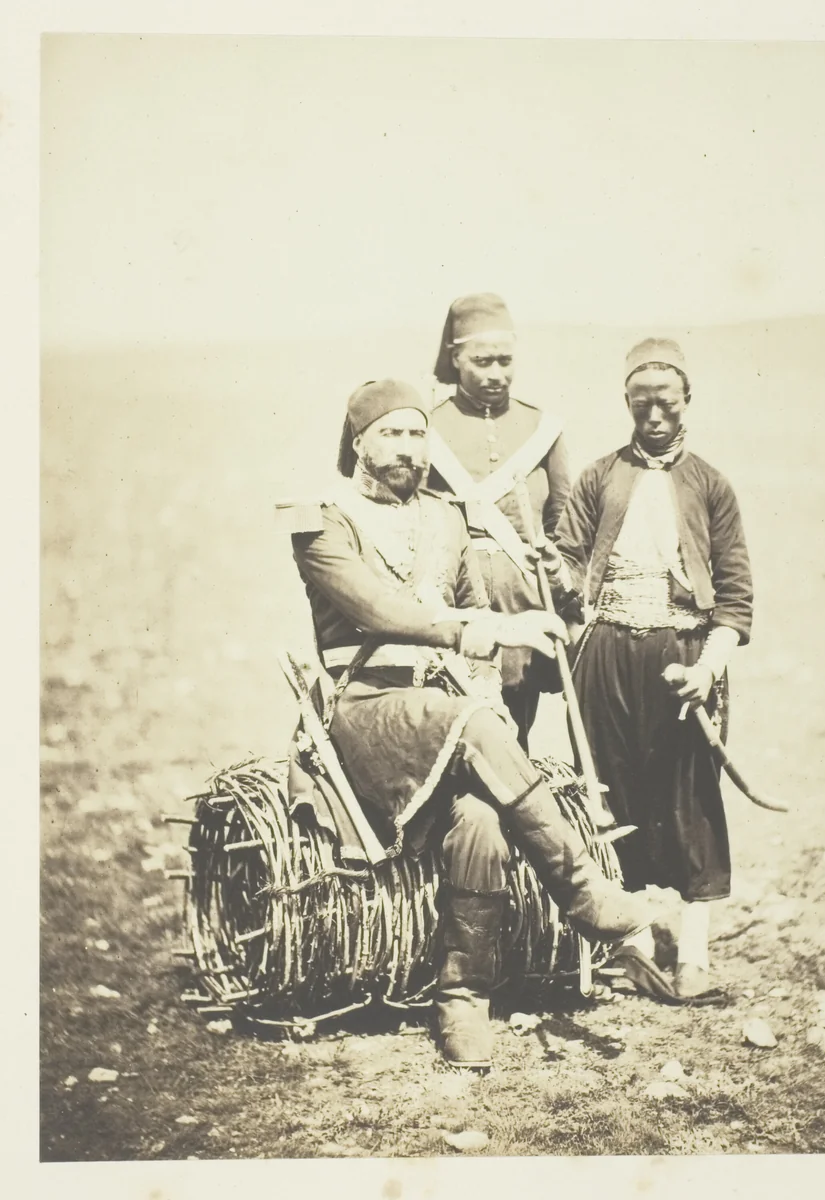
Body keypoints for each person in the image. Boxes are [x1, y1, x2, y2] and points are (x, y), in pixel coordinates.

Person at [282, 378, 654, 1069]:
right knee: (469, 719)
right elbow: (378, 613)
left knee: (480, 821)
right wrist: (478, 633)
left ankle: (461, 999)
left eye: (416, 433)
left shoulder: (446, 518)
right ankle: (582, 893)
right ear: (358, 442)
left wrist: (493, 662)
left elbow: (475, 614)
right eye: (390, 433)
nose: (406, 447)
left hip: (449, 716)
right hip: (366, 712)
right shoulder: (323, 521)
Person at [554, 338, 754, 1004]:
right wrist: (556, 572)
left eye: (666, 402)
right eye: (642, 404)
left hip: (683, 658)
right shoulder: (597, 477)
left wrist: (707, 670)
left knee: (690, 801)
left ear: (687, 400)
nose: (655, 415)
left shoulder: (710, 485)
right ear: (626, 404)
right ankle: (631, 944)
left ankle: (692, 955)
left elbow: (735, 597)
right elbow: (567, 565)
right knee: (607, 795)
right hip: (606, 655)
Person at [426, 293, 575, 748]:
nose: (496, 374)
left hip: (523, 600)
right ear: (455, 357)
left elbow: (564, 525)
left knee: (517, 729)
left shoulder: (542, 428)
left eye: (505, 361)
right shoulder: (427, 428)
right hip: (457, 600)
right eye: (482, 361)